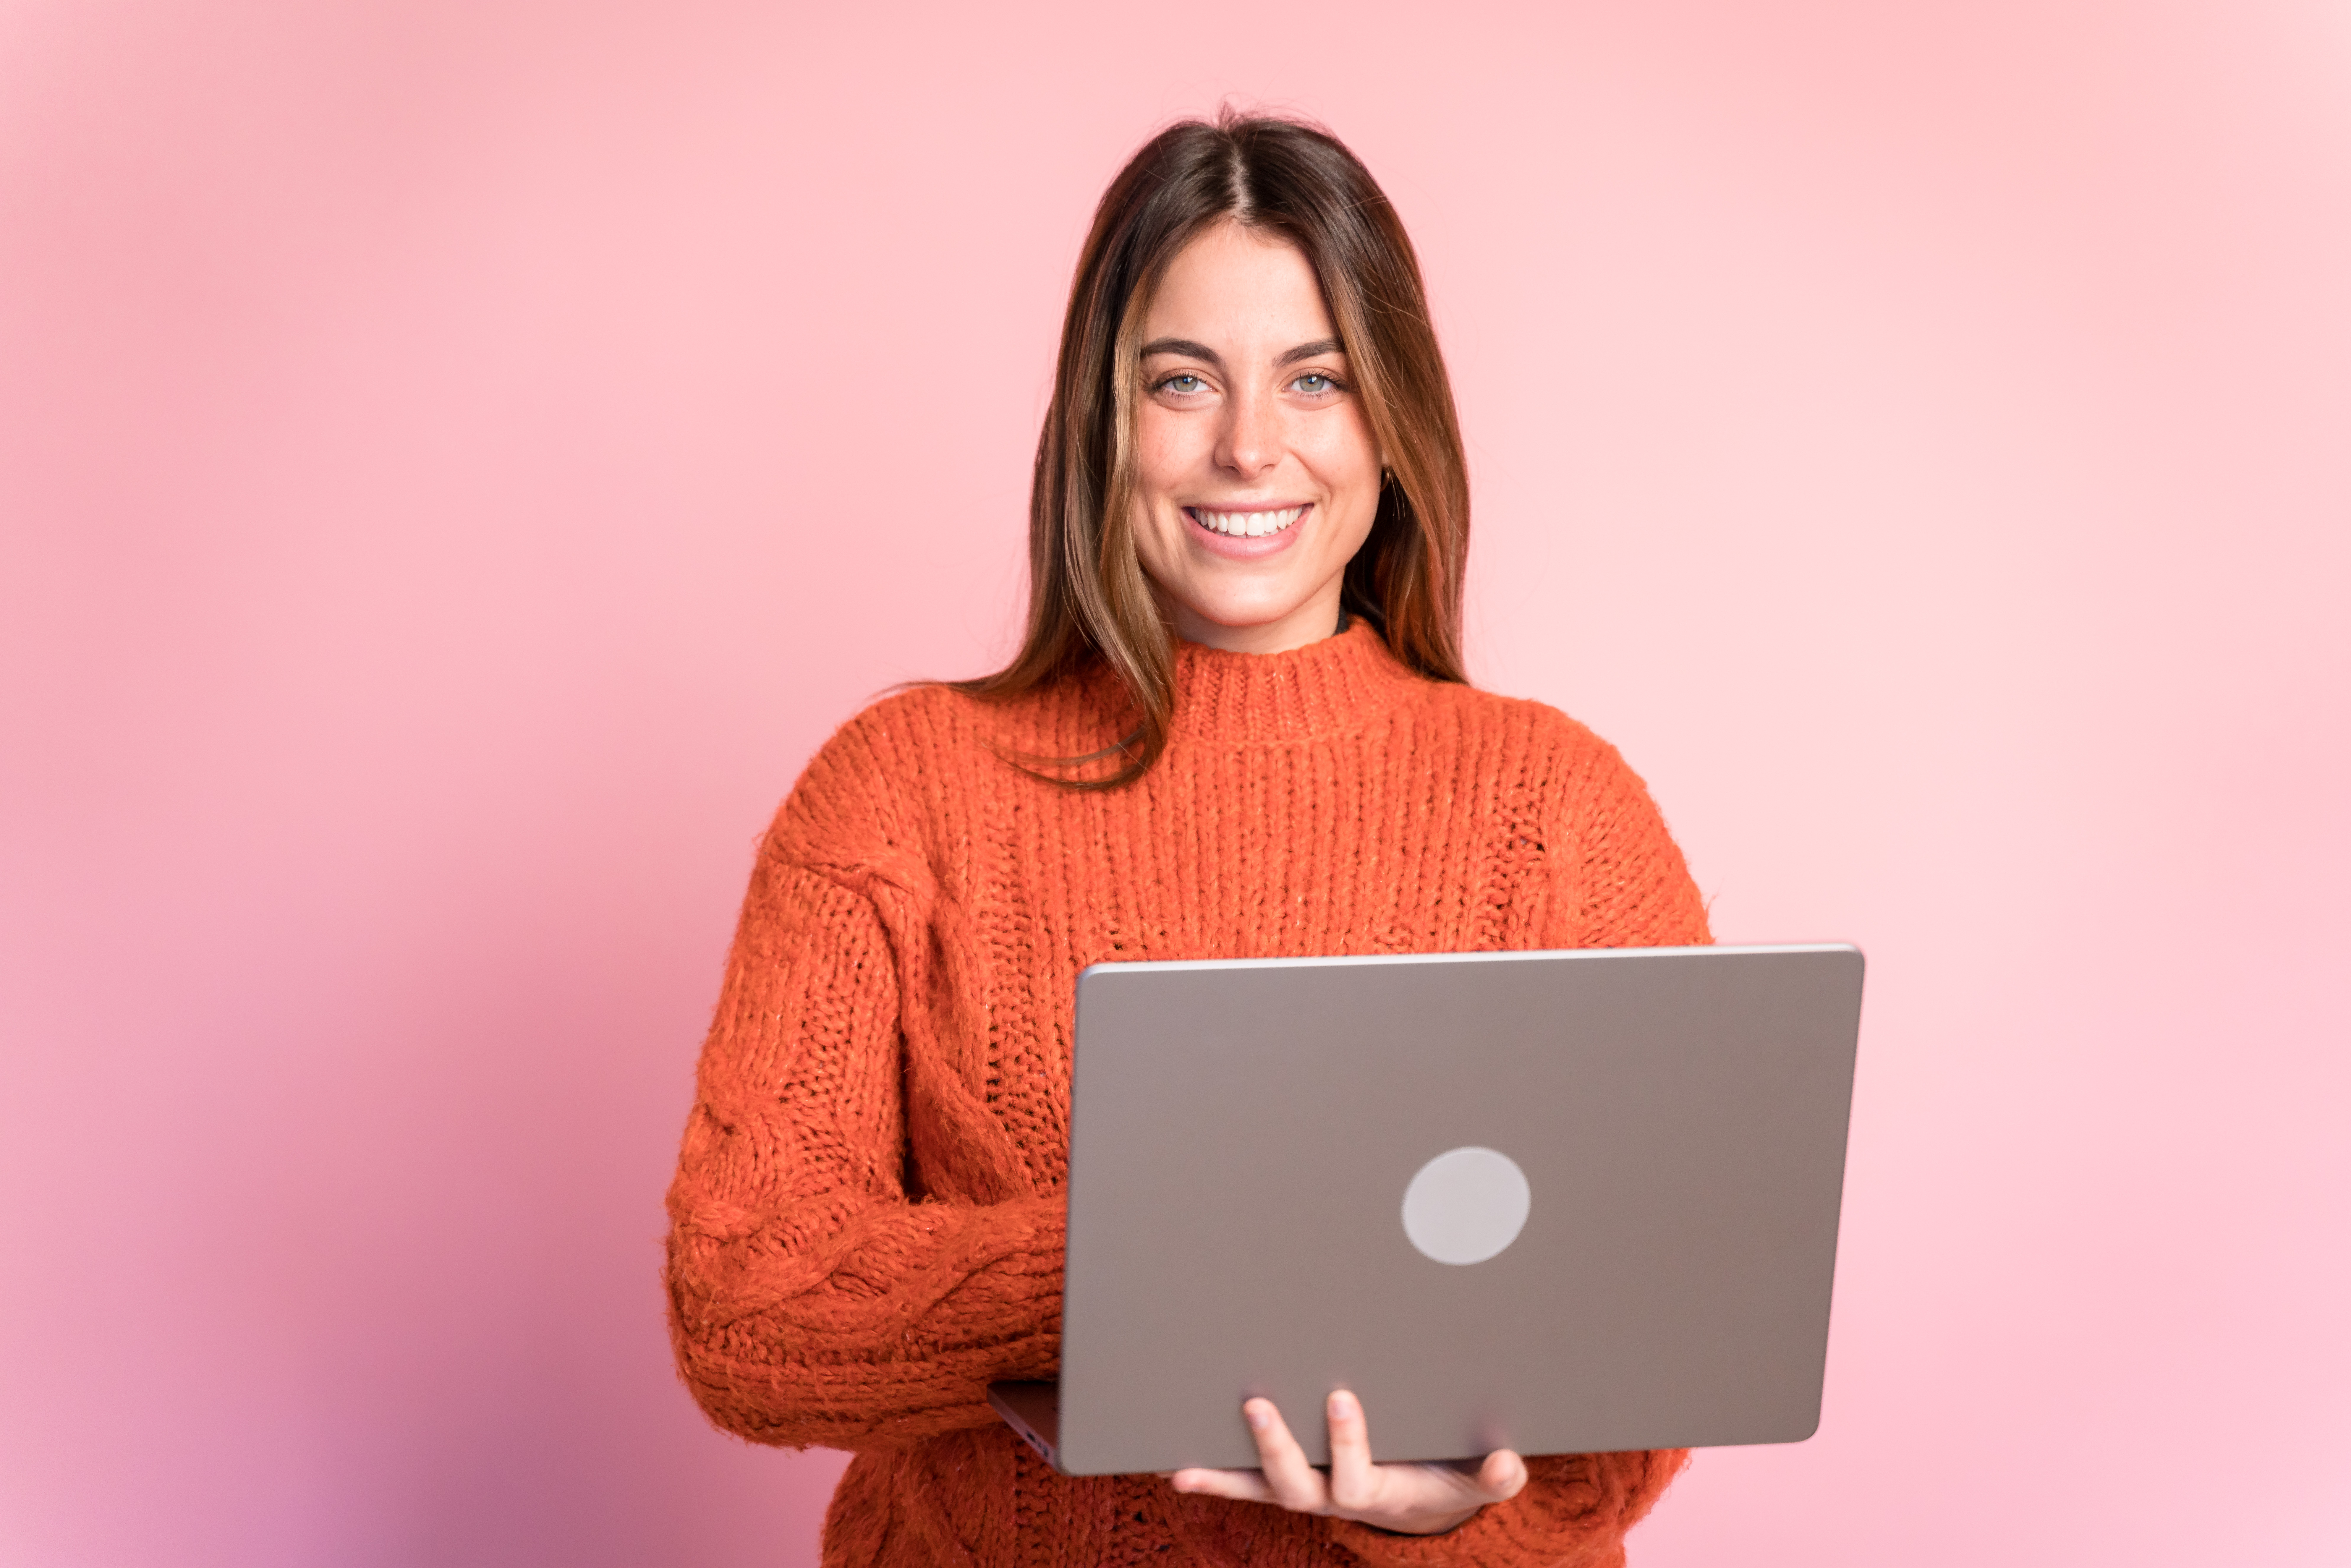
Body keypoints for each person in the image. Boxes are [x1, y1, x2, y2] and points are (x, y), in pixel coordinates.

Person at [664, 111, 1711, 1566]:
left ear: (1394, 419)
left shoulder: (1555, 809)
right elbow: (746, 1308)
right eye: (1180, 380)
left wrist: (1451, 1519)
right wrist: (1184, 1254)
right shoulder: (898, 792)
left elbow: (1642, 1399)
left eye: (1315, 379)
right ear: (1102, 416)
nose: (1246, 447)